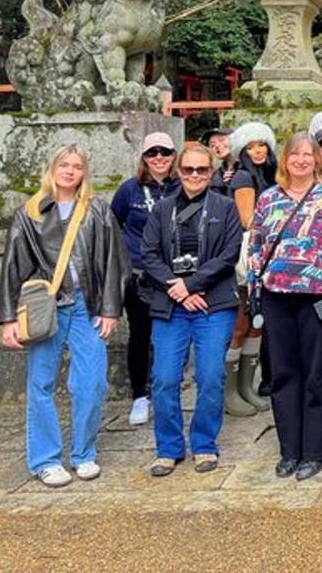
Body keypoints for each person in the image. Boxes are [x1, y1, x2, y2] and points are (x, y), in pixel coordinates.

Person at [0, 144, 128, 487]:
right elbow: (12, 266)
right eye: (64, 165)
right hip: (47, 305)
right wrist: (10, 318)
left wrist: (111, 308)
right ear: (52, 169)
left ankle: (84, 452)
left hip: (88, 303)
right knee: (41, 382)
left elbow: (115, 261)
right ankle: (45, 458)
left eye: (77, 166)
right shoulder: (31, 211)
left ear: (85, 172)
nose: (70, 171)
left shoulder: (98, 210)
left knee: (92, 382)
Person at [248, 132, 322, 482]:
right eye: (295, 154)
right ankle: (289, 448)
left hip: (317, 295)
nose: (302, 160)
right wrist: (254, 289)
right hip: (276, 294)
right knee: (283, 374)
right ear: (285, 159)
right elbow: (257, 245)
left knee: (316, 373)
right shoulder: (268, 199)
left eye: (308, 154)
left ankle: (317, 448)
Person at [140, 144, 243, 476]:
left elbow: (229, 253)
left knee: (210, 376)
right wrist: (178, 288)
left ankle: (204, 444)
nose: (195, 176)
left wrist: (194, 284)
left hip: (213, 303)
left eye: (201, 170)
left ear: (211, 172)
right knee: (164, 378)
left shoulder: (225, 207)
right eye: (188, 170)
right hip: (171, 303)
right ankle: (168, 447)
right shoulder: (161, 209)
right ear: (178, 172)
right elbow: (148, 254)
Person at [111, 131, 180, 426]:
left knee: (172, 334)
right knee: (140, 333)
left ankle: (167, 388)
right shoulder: (130, 190)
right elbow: (114, 223)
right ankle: (140, 394)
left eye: (165, 152)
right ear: (144, 158)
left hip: (176, 274)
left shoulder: (182, 186)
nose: (159, 158)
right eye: (153, 153)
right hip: (139, 274)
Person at [224, 121, 278, 416]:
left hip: (266, 253)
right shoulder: (243, 177)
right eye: (251, 147)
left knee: (256, 322)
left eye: (262, 145)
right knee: (241, 322)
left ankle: (246, 387)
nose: (258, 151)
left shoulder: (268, 175)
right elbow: (248, 220)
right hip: (249, 256)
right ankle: (231, 391)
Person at [202, 127, 236, 196]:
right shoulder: (217, 175)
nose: (217, 145)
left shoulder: (249, 164)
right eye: (212, 145)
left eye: (221, 140)